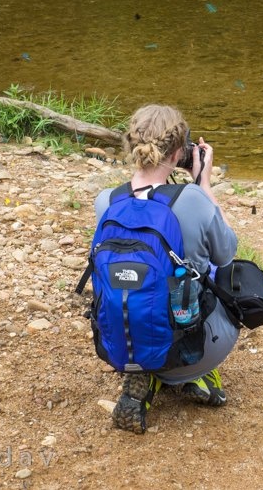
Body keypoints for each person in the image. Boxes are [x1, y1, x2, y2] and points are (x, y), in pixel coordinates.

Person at [93, 104, 240, 433]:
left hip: (119, 342)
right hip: (192, 348)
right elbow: (227, 253)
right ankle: (195, 374)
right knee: (225, 273)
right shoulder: (192, 199)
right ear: (178, 153)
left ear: (131, 146)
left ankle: (146, 377)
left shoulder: (107, 201)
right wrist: (203, 184)